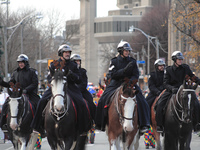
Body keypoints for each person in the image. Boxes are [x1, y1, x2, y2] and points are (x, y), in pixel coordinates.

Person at [31, 44, 91, 136]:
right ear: (61, 53)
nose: (67, 54)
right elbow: (49, 77)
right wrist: (54, 82)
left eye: (68, 52)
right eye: (65, 52)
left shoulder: (74, 65)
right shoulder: (54, 64)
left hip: (70, 87)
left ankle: (82, 128)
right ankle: (38, 126)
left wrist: (71, 74)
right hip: (56, 87)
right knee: (42, 100)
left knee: (82, 103)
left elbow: (79, 79)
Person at [95, 41, 150, 133]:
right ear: (120, 51)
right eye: (125, 50)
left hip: (129, 84)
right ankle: (99, 123)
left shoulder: (132, 61)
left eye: (128, 51)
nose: (127, 52)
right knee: (103, 99)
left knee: (142, 100)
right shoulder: (114, 61)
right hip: (116, 83)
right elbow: (113, 74)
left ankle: (144, 124)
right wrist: (123, 71)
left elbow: (136, 74)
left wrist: (130, 82)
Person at [156, 51, 200, 133]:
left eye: (181, 59)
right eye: (178, 59)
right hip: (172, 90)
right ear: (174, 60)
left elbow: (192, 77)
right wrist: (172, 88)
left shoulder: (186, 68)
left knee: (196, 103)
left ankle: (196, 124)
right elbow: (165, 83)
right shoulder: (168, 70)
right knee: (160, 104)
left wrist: (198, 81)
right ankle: (160, 125)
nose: (180, 61)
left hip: (185, 90)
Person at [0, 54, 40, 128]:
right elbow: (10, 83)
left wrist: (26, 90)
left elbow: (35, 83)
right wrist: (2, 83)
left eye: (22, 62)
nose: (20, 64)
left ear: (26, 63)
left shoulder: (32, 72)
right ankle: (3, 123)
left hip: (30, 94)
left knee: (38, 105)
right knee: (6, 104)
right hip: (17, 94)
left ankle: (39, 125)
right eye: (19, 63)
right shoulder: (15, 73)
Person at [70, 54, 96, 121]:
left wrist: (77, 90)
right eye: (76, 61)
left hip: (81, 91)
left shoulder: (83, 71)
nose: (78, 63)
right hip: (70, 91)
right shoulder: (69, 71)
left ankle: (93, 120)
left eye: (79, 61)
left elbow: (84, 83)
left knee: (90, 101)